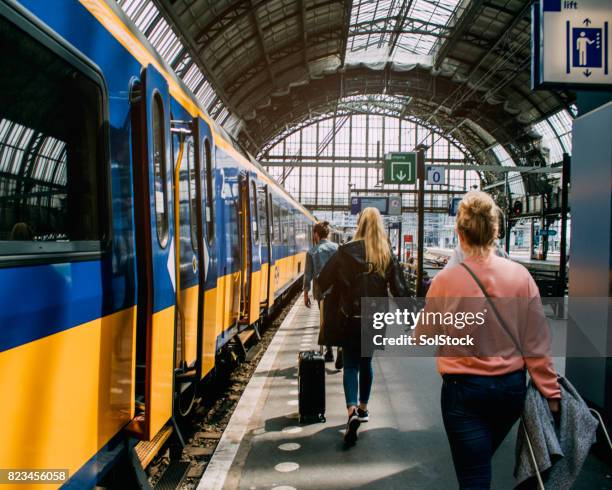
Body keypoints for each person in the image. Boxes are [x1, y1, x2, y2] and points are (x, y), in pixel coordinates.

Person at [416, 191, 560, 489]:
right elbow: (536, 344)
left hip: (463, 392)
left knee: (474, 476)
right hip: (509, 391)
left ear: (459, 233)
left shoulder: (445, 281)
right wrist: (551, 392)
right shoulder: (521, 277)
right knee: (479, 462)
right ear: (496, 231)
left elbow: (423, 335)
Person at [318, 207, 408, 446]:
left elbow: (323, 280)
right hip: (375, 317)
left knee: (350, 365)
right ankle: (364, 408)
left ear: (359, 224)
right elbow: (399, 287)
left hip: (351, 316)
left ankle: (351, 412)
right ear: (379, 226)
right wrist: (410, 317)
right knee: (367, 362)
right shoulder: (385, 252)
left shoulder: (345, 251)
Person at [303, 221, 338, 362]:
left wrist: (306, 294)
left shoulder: (312, 252)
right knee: (337, 319)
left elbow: (308, 275)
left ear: (316, 234)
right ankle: (340, 348)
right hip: (338, 290)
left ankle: (329, 352)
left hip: (322, 292)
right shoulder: (338, 248)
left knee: (325, 320)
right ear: (328, 234)